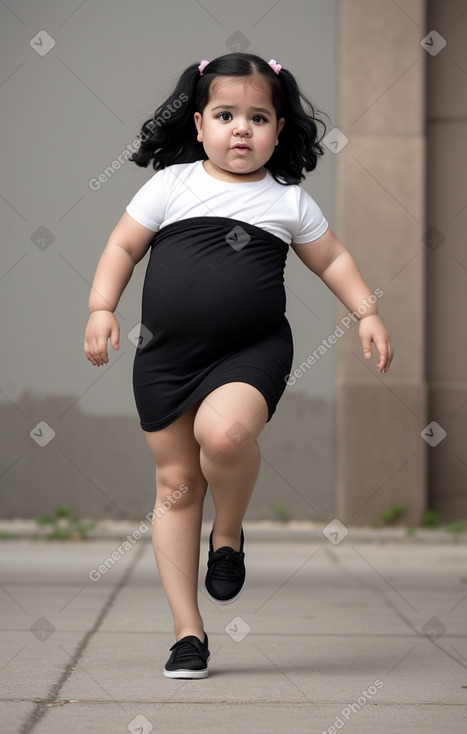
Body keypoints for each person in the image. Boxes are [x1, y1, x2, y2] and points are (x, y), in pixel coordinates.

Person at [83, 52, 394, 679]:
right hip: (167, 357)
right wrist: (100, 306)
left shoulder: (287, 200)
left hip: (251, 349)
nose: (242, 129)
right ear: (199, 125)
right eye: (226, 115)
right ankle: (188, 635)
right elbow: (123, 244)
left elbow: (332, 260)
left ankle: (228, 534)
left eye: (258, 117)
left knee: (223, 436)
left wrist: (366, 312)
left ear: (280, 130)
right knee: (176, 487)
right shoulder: (170, 185)